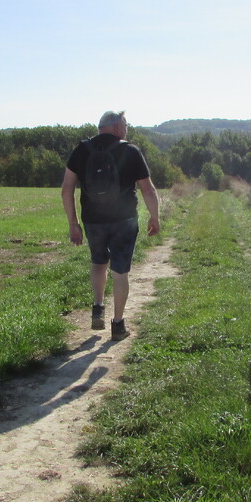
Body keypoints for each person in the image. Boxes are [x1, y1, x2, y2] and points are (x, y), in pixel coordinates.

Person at [61, 110, 160, 341]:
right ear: (116, 127)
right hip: (124, 220)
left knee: (98, 262)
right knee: (120, 272)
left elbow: (67, 188)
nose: (126, 128)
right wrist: (155, 218)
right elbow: (148, 189)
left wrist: (73, 223)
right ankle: (118, 324)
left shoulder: (82, 150)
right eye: (125, 124)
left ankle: (97, 307)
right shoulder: (130, 150)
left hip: (92, 219)